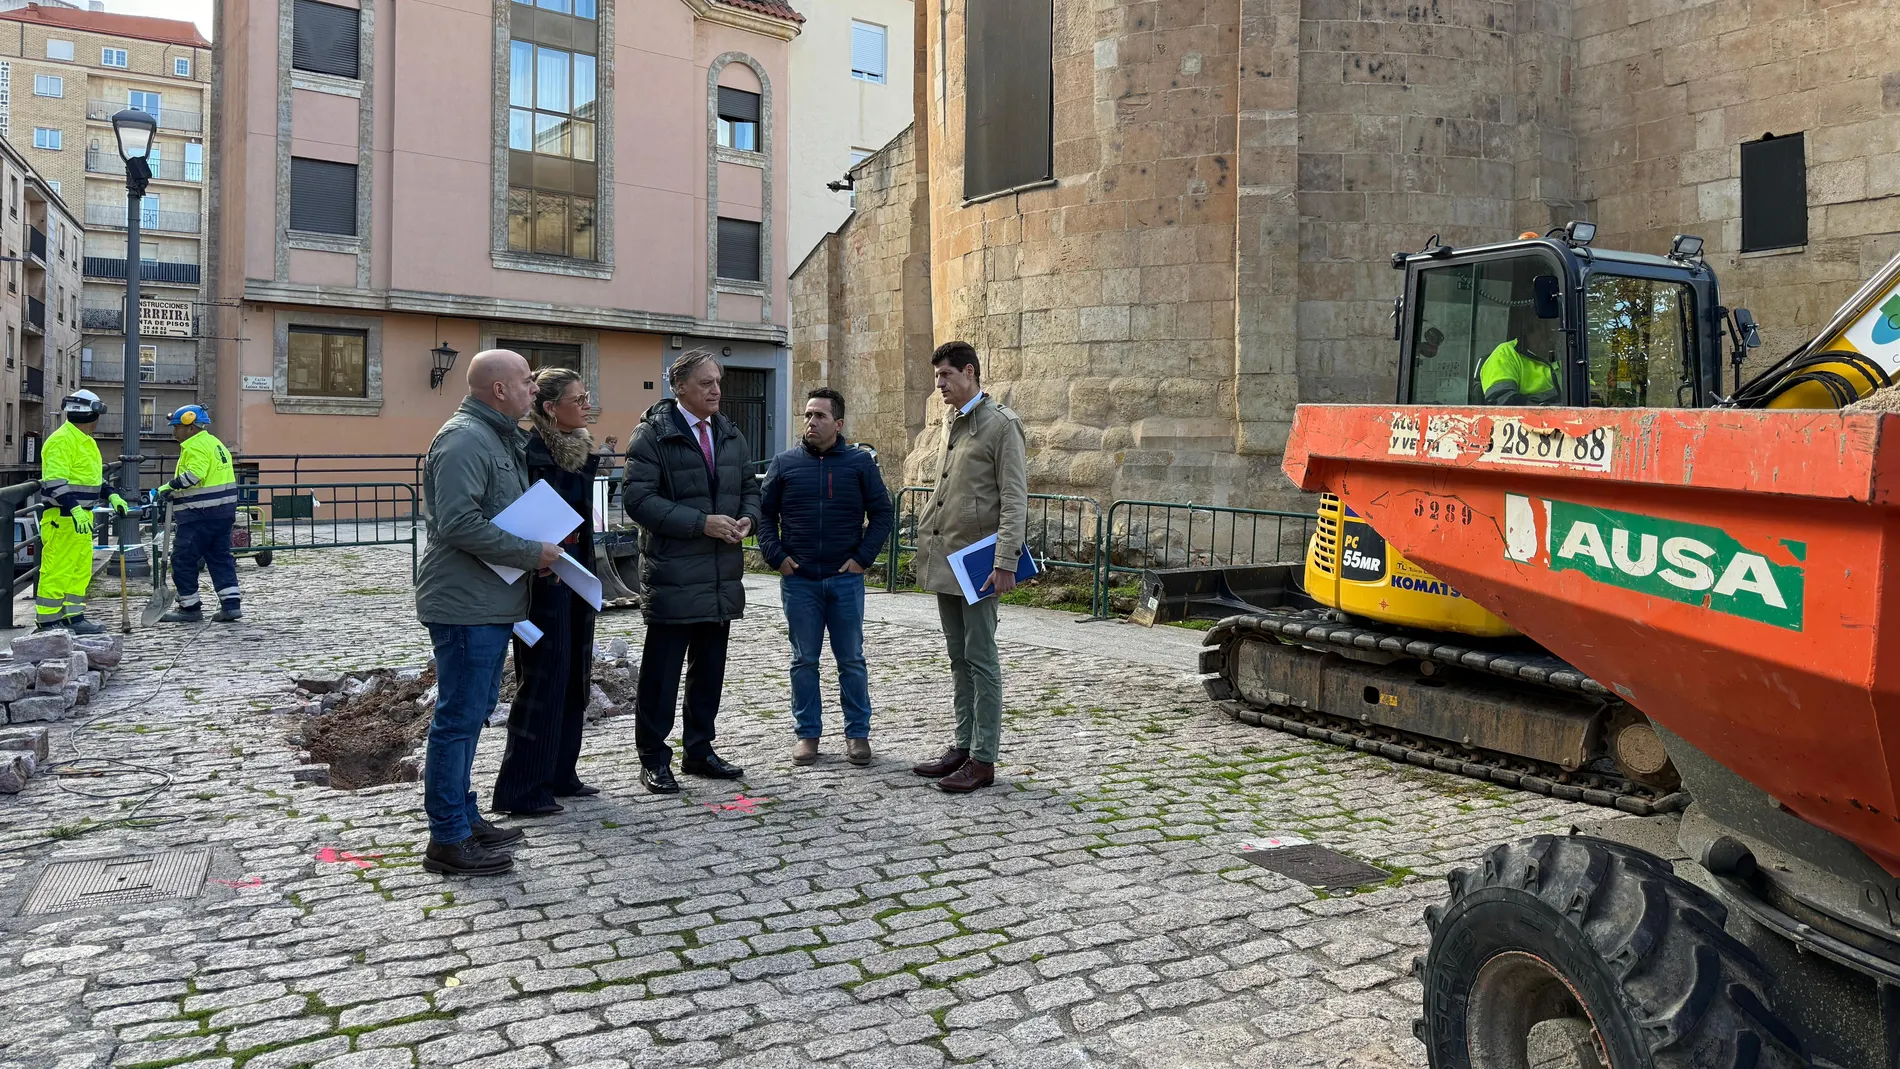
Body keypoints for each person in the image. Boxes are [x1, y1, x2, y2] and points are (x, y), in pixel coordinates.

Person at [415, 349, 563, 877]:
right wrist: (530, 554)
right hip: (465, 604)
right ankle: (448, 839)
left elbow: (497, 518)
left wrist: (538, 556)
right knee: (457, 720)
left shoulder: (497, 436)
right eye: (526, 380)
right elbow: (458, 523)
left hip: (488, 599)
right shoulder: (465, 438)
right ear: (498, 390)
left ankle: (463, 816)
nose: (534, 390)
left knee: (472, 717)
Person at [623, 350, 761, 794]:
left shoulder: (730, 434)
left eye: (718, 381)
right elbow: (638, 501)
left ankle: (699, 751)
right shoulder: (652, 436)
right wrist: (700, 523)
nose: (716, 389)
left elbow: (749, 488)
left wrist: (748, 519)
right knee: (661, 675)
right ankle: (653, 758)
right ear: (679, 387)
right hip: (673, 576)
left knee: (709, 672)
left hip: (721, 576)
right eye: (705, 383)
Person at [909, 341, 1027, 794]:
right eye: (937, 376)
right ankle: (962, 744)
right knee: (959, 658)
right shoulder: (951, 421)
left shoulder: (1001, 425)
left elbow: (1014, 500)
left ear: (970, 373)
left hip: (980, 563)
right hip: (947, 558)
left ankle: (983, 758)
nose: (939, 384)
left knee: (982, 659)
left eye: (946, 376)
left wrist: (1005, 562)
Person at [758, 388, 893, 767]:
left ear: (839, 423)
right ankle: (807, 734)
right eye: (807, 415)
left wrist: (863, 559)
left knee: (851, 659)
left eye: (819, 416)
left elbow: (883, 513)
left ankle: (857, 734)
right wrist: (777, 556)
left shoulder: (859, 463)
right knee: (804, 661)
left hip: (845, 579)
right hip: (800, 580)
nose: (811, 422)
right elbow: (764, 515)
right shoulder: (784, 464)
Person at [492, 368, 602, 817]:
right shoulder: (530, 452)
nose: (587, 403)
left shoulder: (577, 449)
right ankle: (522, 786)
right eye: (578, 398)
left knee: (575, 673)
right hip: (542, 578)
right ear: (551, 409)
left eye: (587, 395)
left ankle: (561, 771)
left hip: (574, 574)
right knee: (543, 678)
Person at [36, 390, 127, 634]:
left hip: (81, 517)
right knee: (57, 569)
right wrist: (74, 509)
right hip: (62, 518)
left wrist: (112, 494)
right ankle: (48, 622)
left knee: (79, 569)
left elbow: (94, 479)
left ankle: (74, 617)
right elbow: (55, 482)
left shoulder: (86, 441)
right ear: (90, 415)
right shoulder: (61, 441)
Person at [157, 405, 243, 623]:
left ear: (191, 427)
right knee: (219, 557)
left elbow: (194, 475)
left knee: (183, 559)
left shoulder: (195, 446)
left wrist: (169, 488)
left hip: (199, 514)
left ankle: (189, 607)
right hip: (223, 513)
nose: (174, 432)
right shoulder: (215, 443)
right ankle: (231, 605)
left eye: (177, 427)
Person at [1479, 315, 1561, 405]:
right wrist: (1543, 413)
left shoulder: (1565, 355)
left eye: (1553, 330)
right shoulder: (1505, 354)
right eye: (1541, 328)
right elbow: (1502, 401)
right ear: (1529, 330)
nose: (1550, 336)